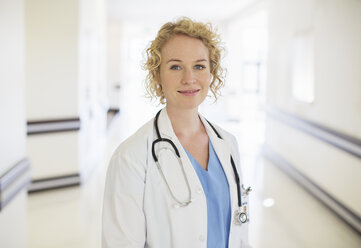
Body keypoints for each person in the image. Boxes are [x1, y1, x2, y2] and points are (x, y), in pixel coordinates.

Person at [102, 17, 250, 248]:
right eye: (175, 66)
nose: (189, 78)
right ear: (157, 75)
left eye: (199, 66)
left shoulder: (228, 144)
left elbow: (238, 231)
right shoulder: (130, 158)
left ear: (212, 73)